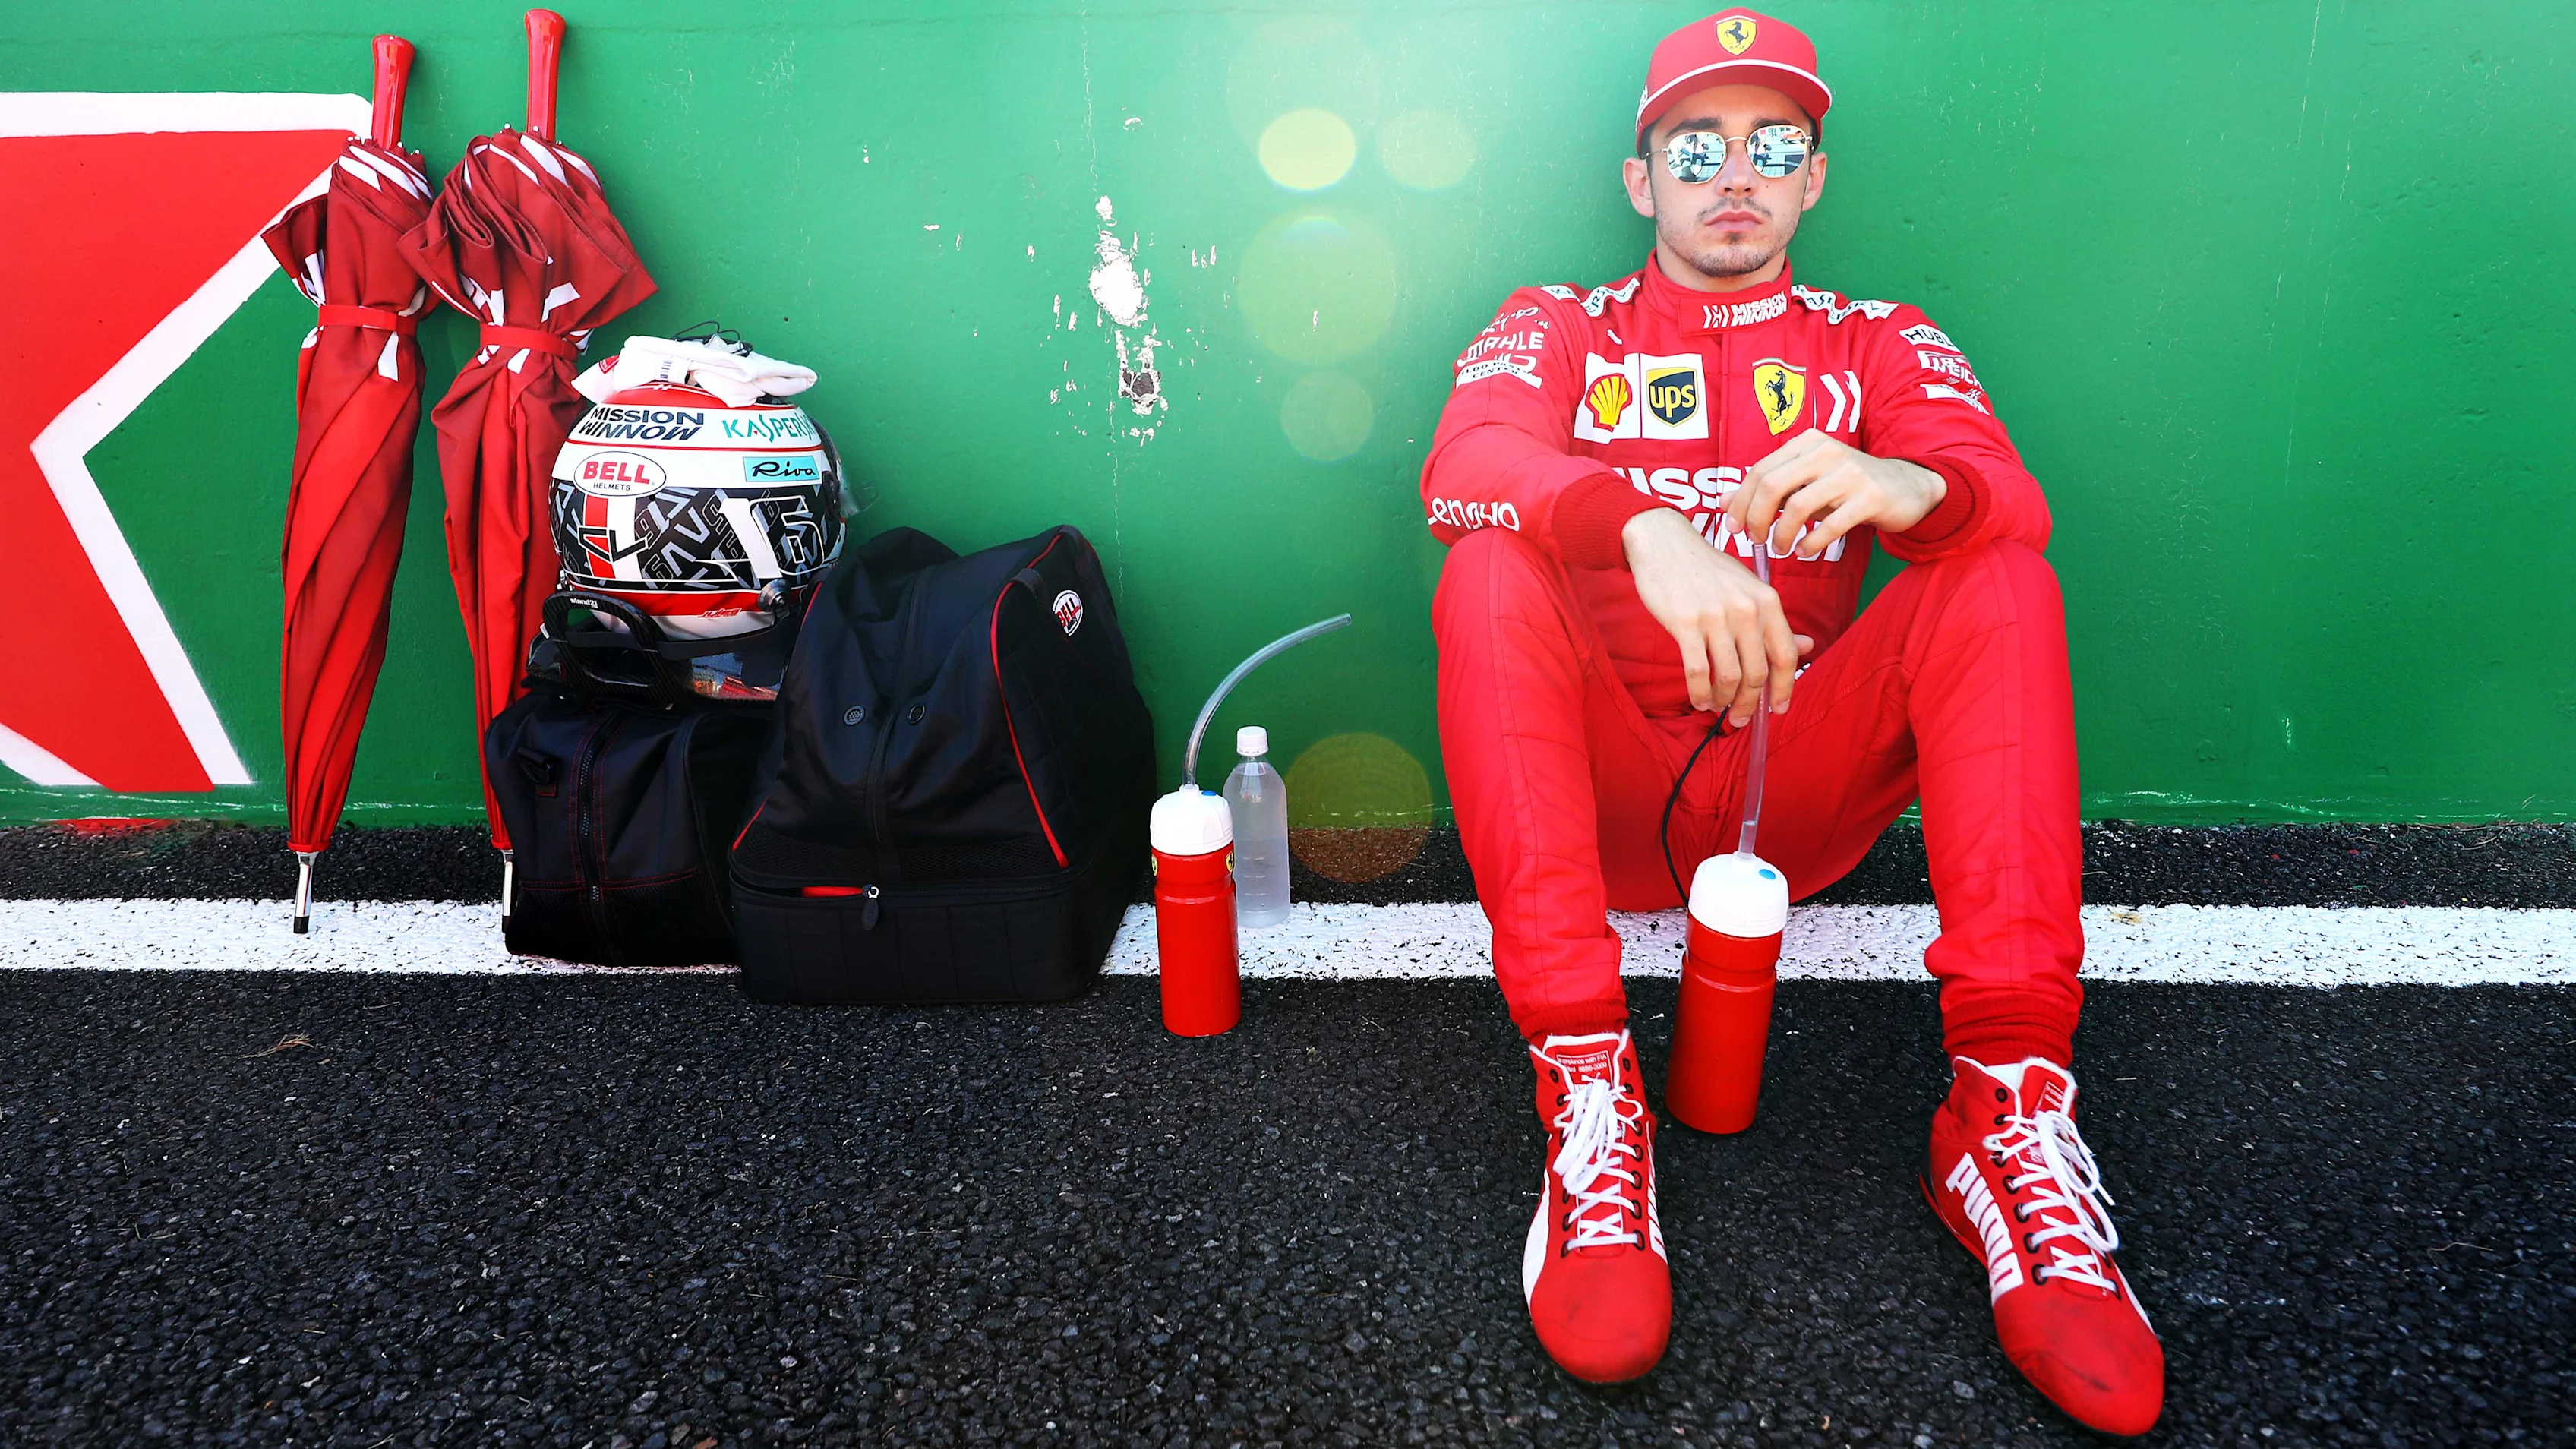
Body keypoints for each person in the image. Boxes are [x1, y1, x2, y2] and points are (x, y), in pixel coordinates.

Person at [1418, 8, 2163, 1435]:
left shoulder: (1876, 340)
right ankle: (1586, 1086)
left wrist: (1914, 488)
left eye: (1773, 147)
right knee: (1490, 564)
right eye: (1696, 147)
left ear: (1813, 178)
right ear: (1642, 179)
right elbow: (1466, 463)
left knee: (1996, 573)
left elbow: (2009, 498)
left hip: (1790, 800)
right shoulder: (1559, 321)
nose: (1735, 176)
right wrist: (1642, 525)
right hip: (1604, 795)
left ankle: (2006, 1108)